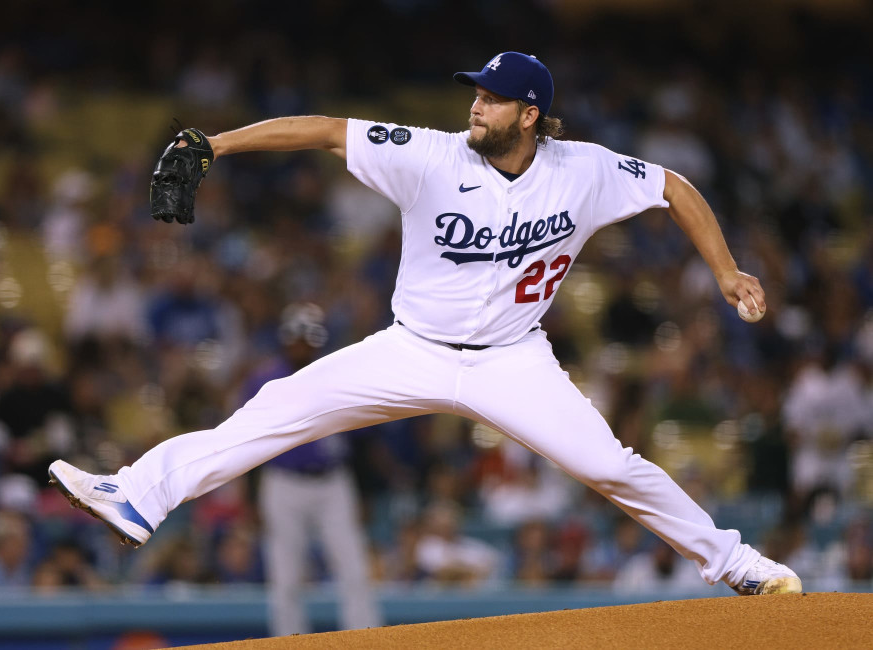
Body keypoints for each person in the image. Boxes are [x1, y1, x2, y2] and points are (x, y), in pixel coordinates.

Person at [48, 51, 801, 599]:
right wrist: (219, 144)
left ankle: (738, 565)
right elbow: (322, 131)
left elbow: (674, 185)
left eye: (493, 98)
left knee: (610, 467)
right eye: (475, 92)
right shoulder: (430, 157)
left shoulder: (586, 169)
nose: (476, 105)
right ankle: (138, 496)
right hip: (409, 349)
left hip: (513, 361)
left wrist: (726, 271)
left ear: (529, 114)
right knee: (273, 409)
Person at [242, 303, 381, 635]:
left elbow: (359, 442)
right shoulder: (264, 380)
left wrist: (364, 492)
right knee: (286, 578)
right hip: (283, 483)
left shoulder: (336, 376)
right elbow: (245, 442)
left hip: (333, 481)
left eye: (308, 338)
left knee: (355, 571)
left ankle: (366, 640)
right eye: (296, 338)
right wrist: (250, 497)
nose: (302, 345)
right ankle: (289, 641)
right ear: (284, 340)